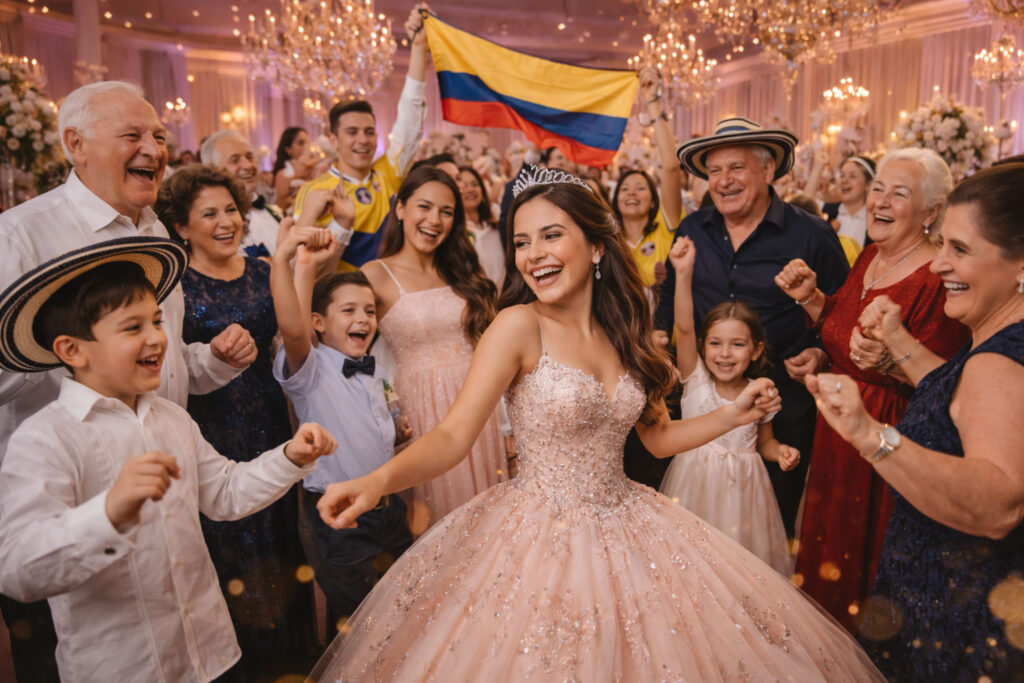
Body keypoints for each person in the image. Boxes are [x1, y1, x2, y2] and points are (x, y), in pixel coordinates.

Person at [306, 172, 883, 681]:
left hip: (630, 523)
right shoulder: (516, 325)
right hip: (536, 535)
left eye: (551, 235)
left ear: (596, 246)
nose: (534, 255)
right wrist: (377, 482)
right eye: (521, 242)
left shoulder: (624, 331)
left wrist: (733, 415)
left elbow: (657, 438)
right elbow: (454, 436)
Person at [0, 79, 254, 682]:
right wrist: (71, 362)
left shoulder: (156, 236)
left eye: (160, 136)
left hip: (165, 495)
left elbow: (159, 364)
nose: (154, 148)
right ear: (75, 144)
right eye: (132, 135)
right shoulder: (20, 236)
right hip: (67, 500)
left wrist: (212, 360)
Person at [0, 238, 337, 682]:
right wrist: (107, 513)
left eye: (156, 321)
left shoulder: (172, 417)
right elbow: (19, 569)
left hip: (213, 653)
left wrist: (291, 457)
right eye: (132, 327)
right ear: (72, 350)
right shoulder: (46, 438)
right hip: (124, 670)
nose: (156, 337)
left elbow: (226, 493)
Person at [805, 163, 1024, 679]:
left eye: (960, 250)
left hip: (957, 622)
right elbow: (957, 396)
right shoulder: (996, 349)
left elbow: (998, 504)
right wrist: (901, 344)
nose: (939, 264)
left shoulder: (1001, 361)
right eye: (942, 244)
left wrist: (869, 435)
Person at [774, 148, 969, 632]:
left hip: (890, 437)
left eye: (898, 193)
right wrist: (813, 302)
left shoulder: (937, 280)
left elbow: (945, 382)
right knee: (831, 552)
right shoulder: (869, 258)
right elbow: (843, 330)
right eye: (878, 187)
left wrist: (892, 365)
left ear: (930, 213)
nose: (880, 199)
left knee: (874, 559)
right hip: (839, 432)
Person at [154, 166, 326, 677]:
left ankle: (291, 659)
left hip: (268, 415)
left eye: (231, 209)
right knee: (229, 538)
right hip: (212, 425)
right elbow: (170, 360)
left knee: (278, 529)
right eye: (210, 213)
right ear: (182, 226)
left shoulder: (260, 269)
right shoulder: (174, 283)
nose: (226, 221)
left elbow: (292, 337)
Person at [658, 116, 850, 536]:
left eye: (736, 168)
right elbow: (674, 295)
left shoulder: (812, 236)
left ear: (768, 170)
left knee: (769, 529)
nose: (723, 181)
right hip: (702, 406)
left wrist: (820, 352)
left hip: (782, 409)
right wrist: (658, 336)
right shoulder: (694, 229)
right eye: (714, 171)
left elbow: (845, 313)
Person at [269, 221, 415, 636]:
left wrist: (397, 431)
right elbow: (292, 328)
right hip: (340, 520)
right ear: (318, 322)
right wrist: (301, 264)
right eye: (348, 310)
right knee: (367, 628)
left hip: (389, 510)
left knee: (405, 610)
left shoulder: (376, 372)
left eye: (369, 311)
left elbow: (378, 429)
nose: (363, 319)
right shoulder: (311, 370)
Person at [362, 166, 505, 533]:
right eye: (423, 207)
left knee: (492, 524)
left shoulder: (463, 271)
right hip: (425, 413)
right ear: (400, 208)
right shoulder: (375, 275)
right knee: (443, 531)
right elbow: (338, 345)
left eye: (446, 212)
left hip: (479, 405)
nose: (434, 220)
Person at [660, 236, 799, 575]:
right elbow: (683, 326)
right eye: (716, 344)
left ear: (755, 350)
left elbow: (763, 441)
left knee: (739, 569)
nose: (724, 354)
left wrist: (779, 451)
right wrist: (683, 274)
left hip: (744, 497)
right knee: (692, 565)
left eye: (737, 344)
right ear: (703, 345)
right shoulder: (695, 379)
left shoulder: (758, 392)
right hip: (694, 485)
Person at [291, 4, 428, 272]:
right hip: (342, 302)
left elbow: (411, 117)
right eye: (352, 132)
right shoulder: (316, 191)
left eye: (369, 131)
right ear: (333, 139)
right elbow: (300, 265)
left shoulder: (389, 173)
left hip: (392, 296)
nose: (363, 140)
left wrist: (419, 47)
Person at [610, 67, 683, 290]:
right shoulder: (609, 240)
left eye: (640, 188)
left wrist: (651, 102)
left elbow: (671, 167)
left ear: (653, 200)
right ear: (615, 201)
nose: (631, 192)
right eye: (625, 189)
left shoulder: (665, 224)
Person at [201, 129, 284, 258]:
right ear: (213, 170)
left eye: (250, 157)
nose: (248, 165)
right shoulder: (216, 227)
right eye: (235, 160)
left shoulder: (273, 213)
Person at [458, 164, 505, 286]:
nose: (470, 190)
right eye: (464, 185)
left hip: (508, 290)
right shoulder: (457, 229)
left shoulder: (494, 212)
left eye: (475, 184)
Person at [823, 156, 875, 247]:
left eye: (852, 176)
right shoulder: (826, 212)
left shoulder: (875, 219)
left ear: (868, 184)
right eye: (842, 175)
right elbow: (803, 203)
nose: (844, 181)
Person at [272, 127, 315, 212]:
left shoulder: (316, 169)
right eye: (301, 143)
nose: (307, 147)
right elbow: (280, 208)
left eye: (308, 142)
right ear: (288, 150)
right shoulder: (283, 174)